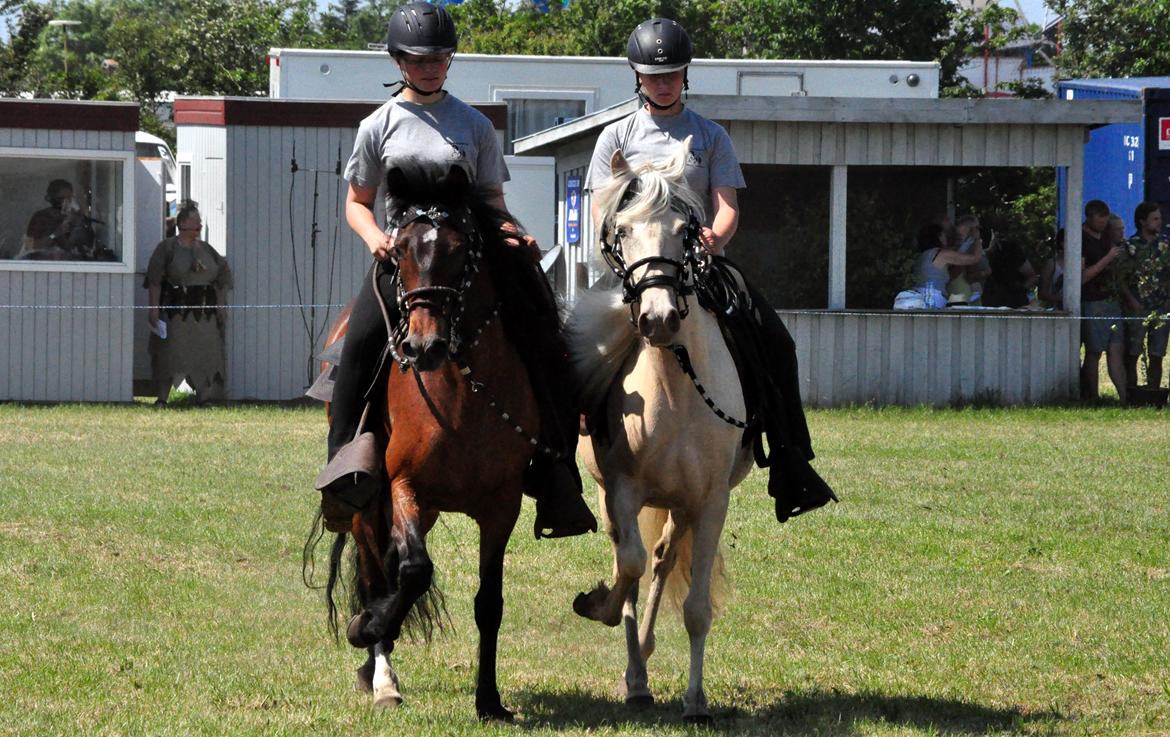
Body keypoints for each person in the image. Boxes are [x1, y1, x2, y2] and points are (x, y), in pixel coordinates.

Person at [319, 1, 596, 539]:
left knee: (541, 329)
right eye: (420, 59)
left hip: (468, 261)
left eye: (440, 58)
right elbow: (356, 202)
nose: (431, 67)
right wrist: (376, 236)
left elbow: (491, 199)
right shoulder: (378, 125)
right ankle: (343, 469)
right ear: (399, 62)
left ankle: (556, 468)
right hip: (402, 262)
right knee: (357, 346)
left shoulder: (473, 125)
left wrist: (514, 233)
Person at [585, 17, 836, 522]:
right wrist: (625, 247)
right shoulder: (615, 137)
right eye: (653, 75)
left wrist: (713, 238)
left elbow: (725, 208)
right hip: (634, 265)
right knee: (571, 347)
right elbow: (600, 209)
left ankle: (789, 461)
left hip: (697, 265)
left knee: (775, 341)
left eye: (672, 74)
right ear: (637, 77)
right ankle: (558, 469)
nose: (663, 82)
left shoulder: (710, 136)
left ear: (685, 76)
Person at [145, 201, 233, 405]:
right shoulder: (166, 248)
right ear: (183, 223)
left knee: (204, 354)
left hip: (204, 314)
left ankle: (204, 397)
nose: (200, 225)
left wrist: (220, 304)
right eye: (196, 221)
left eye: (200, 222)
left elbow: (222, 275)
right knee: (169, 355)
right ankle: (162, 399)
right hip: (176, 313)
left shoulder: (207, 250)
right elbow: (155, 280)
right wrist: (153, 309)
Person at [1078, 200, 1126, 402]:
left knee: (1116, 348)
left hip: (1111, 300)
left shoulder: (1106, 237)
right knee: (1094, 351)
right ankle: (1093, 397)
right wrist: (1108, 258)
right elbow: (1082, 277)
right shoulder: (1080, 238)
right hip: (1092, 300)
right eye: (1100, 221)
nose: (1103, 226)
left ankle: (1125, 398)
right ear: (1089, 217)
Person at [1121, 201, 1170, 389]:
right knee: (1132, 352)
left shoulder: (1165, 244)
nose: (1159, 222)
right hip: (1137, 305)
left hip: (1160, 304)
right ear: (1143, 222)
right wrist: (1131, 300)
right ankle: (1132, 393)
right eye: (1155, 219)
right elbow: (1122, 278)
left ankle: (1154, 392)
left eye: (1159, 218)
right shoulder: (1131, 246)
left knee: (1157, 354)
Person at [912, 222, 984, 308]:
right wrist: (977, 239)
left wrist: (965, 244)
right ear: (939, 237)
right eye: (944, 235)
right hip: (933, 299)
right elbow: (974, 258)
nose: (946, 237)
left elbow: (951, 274)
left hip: (919, 298)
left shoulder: (923, 256)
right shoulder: (941, 254)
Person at [21, 179, 94, 259]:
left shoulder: (76, 217)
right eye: (61, 199)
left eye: (69, 198)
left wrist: (78, 222)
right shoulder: (41, 217)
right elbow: (31, 246)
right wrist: (56, 233)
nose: (65, 202)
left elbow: (87, 246)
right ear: (51, 198)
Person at [981, 238, 1037, 309]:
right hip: (993, 296)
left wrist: (1020, 289)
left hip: (1015, 298)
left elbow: (1032, 276)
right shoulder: (986, 257)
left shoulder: (1015, 252)